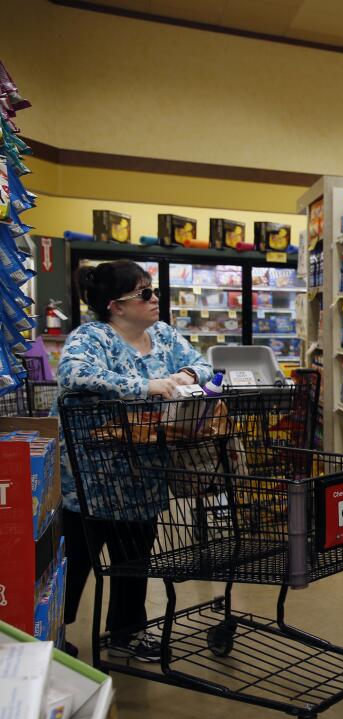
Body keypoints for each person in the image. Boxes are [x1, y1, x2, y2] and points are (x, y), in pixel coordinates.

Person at [57, 259, 213, 661]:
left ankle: (127, 631)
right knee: (75, 564)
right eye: (144, 293)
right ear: (117, 306)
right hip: (93, 478)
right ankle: (53, 631)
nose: (155, 299)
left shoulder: (162, 334)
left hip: (144, 472)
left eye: (154, 290)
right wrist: (144, 386)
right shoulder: (90, 338)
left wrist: (187, 377)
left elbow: (203, 363)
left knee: (135, 560)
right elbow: (73, 373)